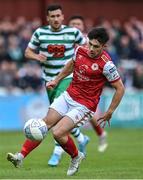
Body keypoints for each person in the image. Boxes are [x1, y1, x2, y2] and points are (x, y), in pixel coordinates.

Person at [7, 27, 125, 176]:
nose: (91, 49)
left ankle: (76, 157)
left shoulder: (107, 65)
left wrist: (109, 111)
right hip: (68, 96)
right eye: (90, 44)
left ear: (104, 46)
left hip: (85, 105)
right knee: (43, 125)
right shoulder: (80, 50)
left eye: (96, 46)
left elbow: (120, 88)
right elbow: (70, 65)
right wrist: (56, 80)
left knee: (58, 133)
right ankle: (20, 156)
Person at [21, 4, 89, 166]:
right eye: (53, 16)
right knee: (58, 119)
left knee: (55, 120)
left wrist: (79, 59)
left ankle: (56, 153)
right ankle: (81, 138)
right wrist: (37, 57)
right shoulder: (40, 33)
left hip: (67, 78)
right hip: (49, 80)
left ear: (63, 17)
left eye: (58, 16)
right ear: (48, 18)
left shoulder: (72, 32)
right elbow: (27, 52)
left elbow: (87, 47)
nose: (56, 19)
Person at [68, 15, 108, 150]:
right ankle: (79, 140)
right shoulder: (65, 39)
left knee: (90, 115)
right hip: (71, 76)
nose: (75, 26)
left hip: (86, 78)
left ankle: (99, 135)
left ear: (82, 26)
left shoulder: (87, 41)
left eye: (78, 24)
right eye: (72, 24)